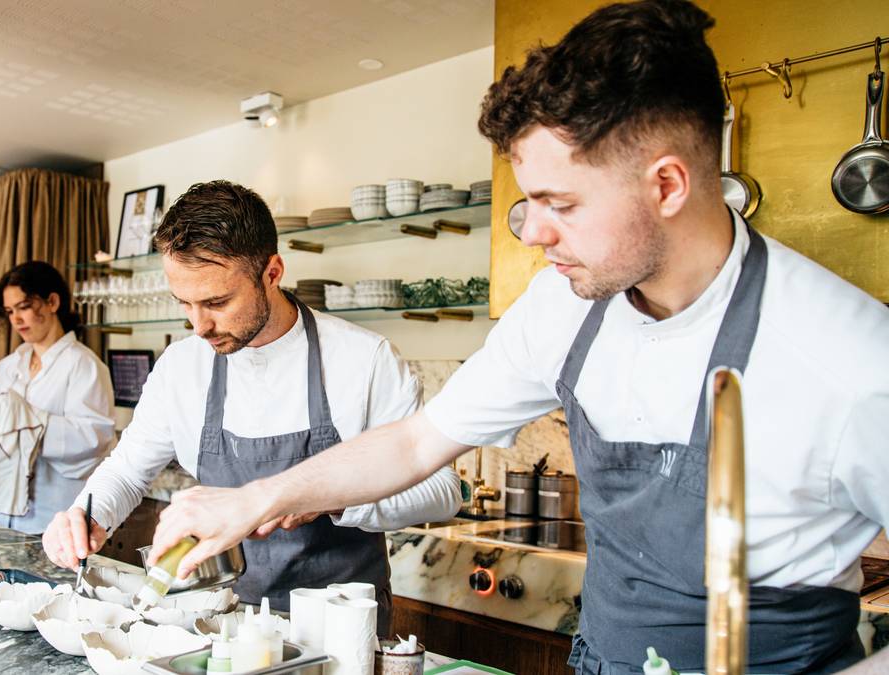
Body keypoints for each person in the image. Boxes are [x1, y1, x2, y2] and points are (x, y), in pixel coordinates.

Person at [146, 2, 889, 673]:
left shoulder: (850, 359)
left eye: (557, 202)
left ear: (666, 185)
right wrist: (254, 500)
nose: (532, 232)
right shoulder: (562, 307)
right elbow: (414, 443)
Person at [42, 180, 461, 633]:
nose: (198, 325)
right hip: (222, 624)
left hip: (340, 627)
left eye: (217, 302)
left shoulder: (364, 359)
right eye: (184, 303)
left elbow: (440, 492)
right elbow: (127, 470)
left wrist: (329, 497)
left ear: (272, 272)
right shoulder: (182, 367)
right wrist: (87, 515)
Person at [0, 261, 116, 534]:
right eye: (9, 312)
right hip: (3, 510)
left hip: (54, 513)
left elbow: (95, 437)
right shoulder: (8, 366)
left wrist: (30, 422)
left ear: (52, 302)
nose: (16, 320)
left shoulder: (84, 365)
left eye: (23, 307)